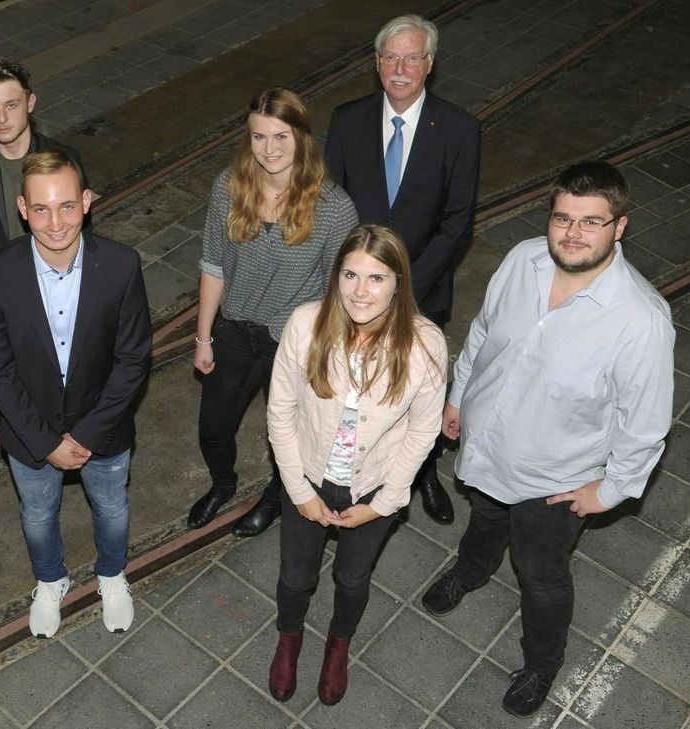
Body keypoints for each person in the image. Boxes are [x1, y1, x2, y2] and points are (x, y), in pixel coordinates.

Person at [420, 161, 674, 717]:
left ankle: (541, 662)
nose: (573, 234)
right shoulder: (521, 260)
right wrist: (459, 396)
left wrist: (608, 493)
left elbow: (646, 423)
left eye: (591, 222)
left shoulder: (640, 320)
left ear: (619, 227)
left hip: (553, 483)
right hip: (487, 448)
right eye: (563, 218)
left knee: (541, 576)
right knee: (483, 519)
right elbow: (485, 332)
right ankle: (470, 572)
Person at [0, 149, 151, 638]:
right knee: (36, 513)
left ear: (87, 202)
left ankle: (112, 574)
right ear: (22, 208)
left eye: (67, 206)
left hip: (105, 428)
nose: (55, 223)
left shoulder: (120, 265)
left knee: (112, 507)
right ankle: (50, 580)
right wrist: (46, 440)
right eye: (42, 209)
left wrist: (89, 433)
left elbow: (133, 358)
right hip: (31, 434)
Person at [264, 224, 446, 704]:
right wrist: (300, 492)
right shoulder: (305, 323)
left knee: (352, 577)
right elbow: (279, 411)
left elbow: (423, 431)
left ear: (398, 284)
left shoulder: (425, 345)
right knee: (296, 575)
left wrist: (385, 503)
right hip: (306, 475)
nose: (360, 292)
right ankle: (289, 638)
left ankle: (338, 645)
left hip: (372, 486)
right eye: (350, 275)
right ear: (336, 275)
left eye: (377, 278)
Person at [324, 14, 480, 524]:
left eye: (411, 57)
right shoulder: (347, 120)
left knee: (417, 391)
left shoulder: (458, 128)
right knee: (351, 386)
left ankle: (424, 473)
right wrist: (359, 282)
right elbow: (332, 207)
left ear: (429, 65)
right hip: (355, 294)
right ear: (376, 63)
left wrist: (407, 288)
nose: (400, 68)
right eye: (390, 57)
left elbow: (458, 221)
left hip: (421, 291)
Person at [189, 87, 359, 538]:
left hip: (292, 341)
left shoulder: (333, 207)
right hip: (234, 330)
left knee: (286, 435)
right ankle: (223, 483)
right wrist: (203, 336)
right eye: (259, 137)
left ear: (302, 136)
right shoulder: (229, 186)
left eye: (281, 136)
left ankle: (274, 498)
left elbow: (340, 292)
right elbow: (212, 263)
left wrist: (325, 357)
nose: (270, 149)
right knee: (213, 427)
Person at [0, 56, 87, 284]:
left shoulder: (65, 159)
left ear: (30, 103)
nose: (1, 118)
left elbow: (82, 230)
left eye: (11, 105)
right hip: (1, 288)